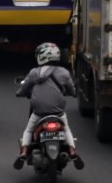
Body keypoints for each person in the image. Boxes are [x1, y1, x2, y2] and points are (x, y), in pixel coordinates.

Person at [14, 42, 83, 170]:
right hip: (58, 114)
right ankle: (72, 150)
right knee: (66, 128)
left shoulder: (34, 73)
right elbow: (72, 90)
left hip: (39, 113)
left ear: (41, 56)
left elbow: (24, 89)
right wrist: (72, 93)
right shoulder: (63, 73)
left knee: (29, 130)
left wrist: (19, 93)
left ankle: (24, 152)